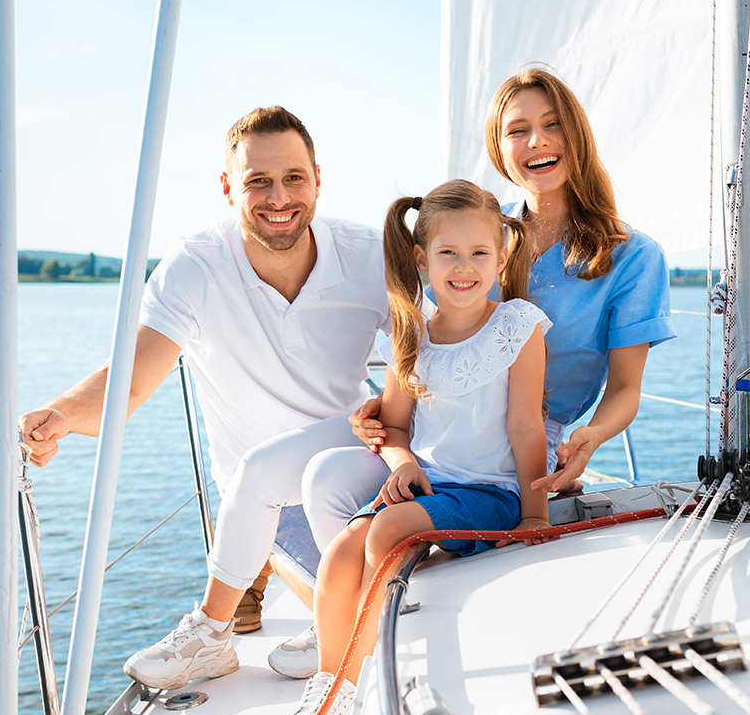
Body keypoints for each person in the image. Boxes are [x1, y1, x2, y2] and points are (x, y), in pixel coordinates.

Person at [272, 67, 676, 680]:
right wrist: (388, 411)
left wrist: (586, 440)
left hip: (523, 444)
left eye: (552, 126)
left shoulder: (632, 256)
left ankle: (391, 632)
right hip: (445, 427)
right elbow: (436, 344)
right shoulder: (476, 228)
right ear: (499, 145)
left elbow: (624, 389)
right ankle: (351, 633)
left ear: (578, 135)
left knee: (391, 524)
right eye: (518, 130)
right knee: (326, 476)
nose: (537, 142)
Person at [18, 106, 390, 691]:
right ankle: (232, 628)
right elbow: (132, 379)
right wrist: (61, 415)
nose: (278, 197)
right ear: (227, 187)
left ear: (319, 178)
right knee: (340, 587)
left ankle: (289, 620)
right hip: (266, 507)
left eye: (294, 178)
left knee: (396, 591)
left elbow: (436, 352)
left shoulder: (370, 254)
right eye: (257, 181)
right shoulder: (196, 265)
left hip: (358, 465)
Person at [288, 179, 555, 715]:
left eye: (480, 252)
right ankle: (333, 682)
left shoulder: (518, 327)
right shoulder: (412, 336)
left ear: (502, 255)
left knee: (385, 530)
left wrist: (534, 518)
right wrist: (401, 459)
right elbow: (396, 426)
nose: (465, 267)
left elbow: (525, 427)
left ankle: (372, 683)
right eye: (448, 254)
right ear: (421, 259)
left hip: (490, 491)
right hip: (428, 485)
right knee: (338, 553)